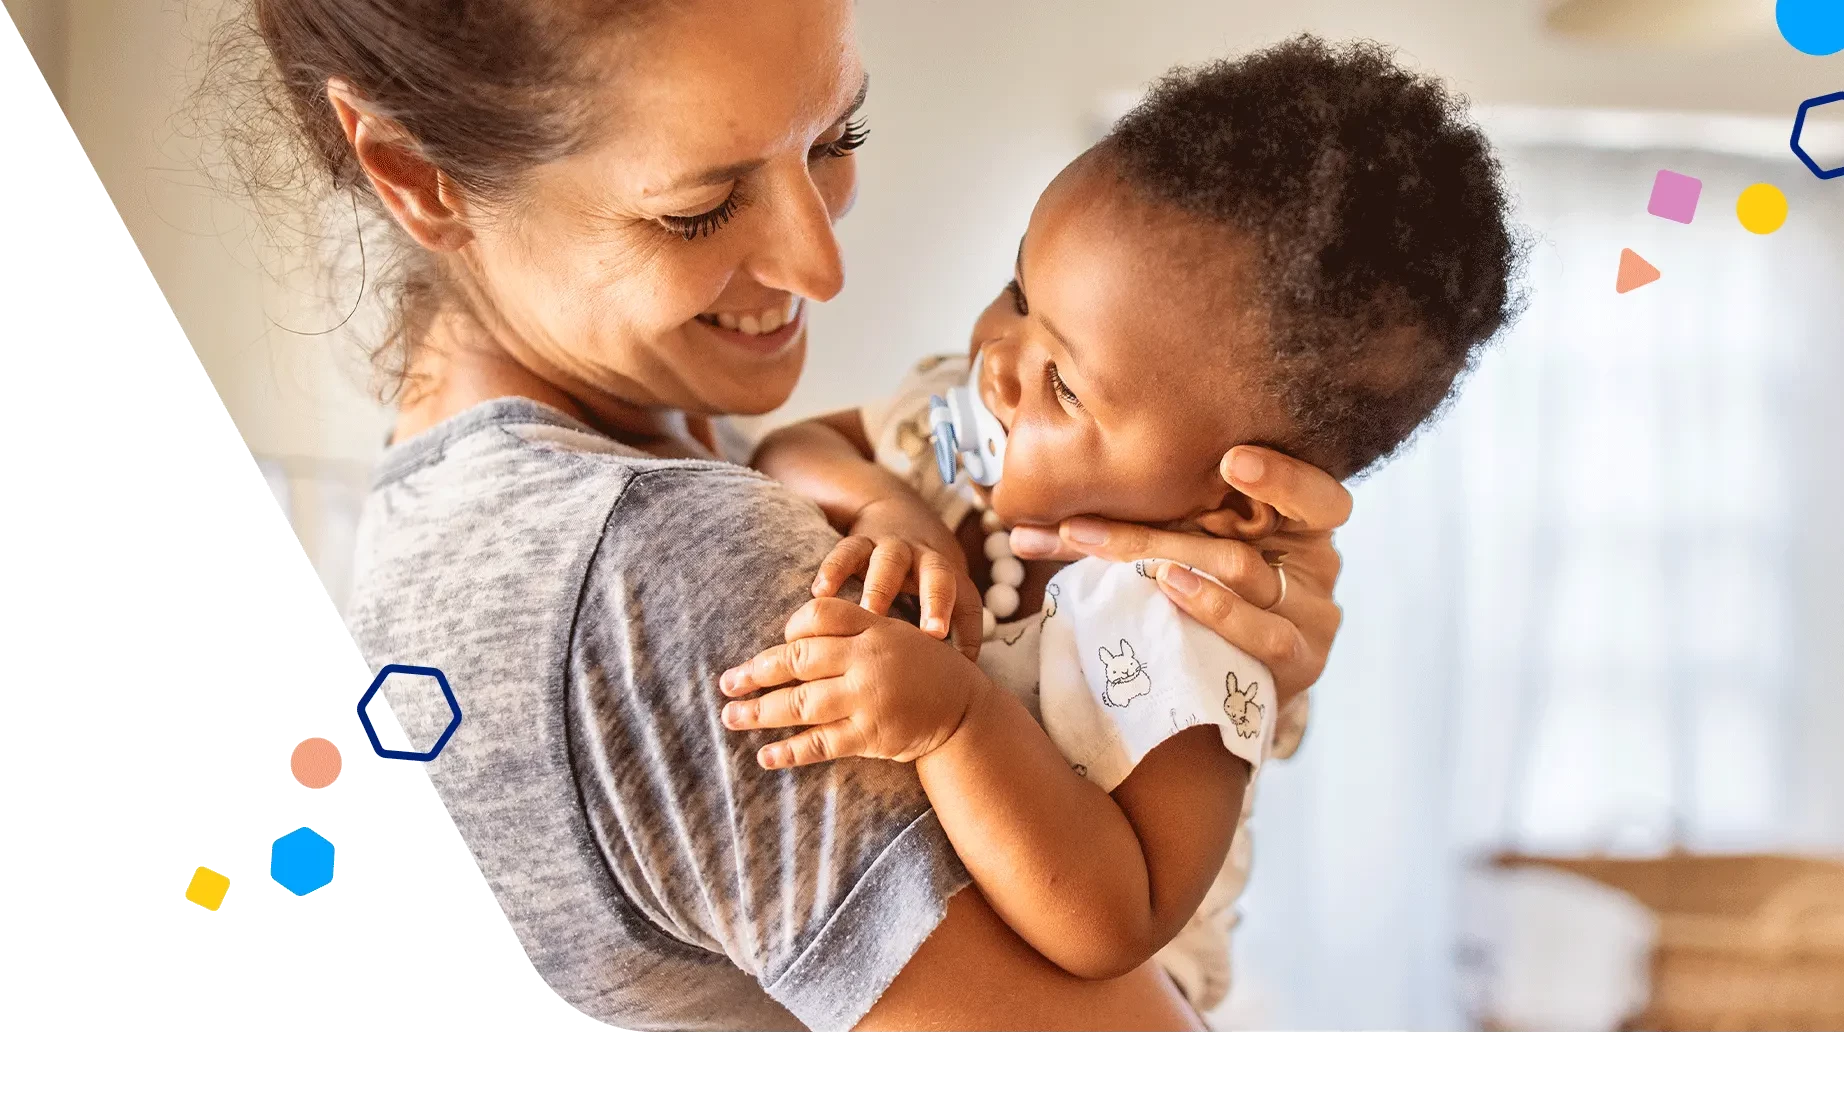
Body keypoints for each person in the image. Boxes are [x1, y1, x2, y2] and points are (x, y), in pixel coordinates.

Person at [243, 0, 1351, 1030]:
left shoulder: (616, 461)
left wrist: (1219, 665)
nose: (820, 265)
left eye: (834, 136)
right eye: (699, 207)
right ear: (412, 171)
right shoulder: (659, 561)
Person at [728, 37, 1520, 1015]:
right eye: (1018, 292)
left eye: (1063, 381)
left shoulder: (1184, 633)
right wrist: (884, 502)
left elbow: (1114, 916)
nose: (998, 360)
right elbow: (795, 447)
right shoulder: (967, 436)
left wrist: (955, 718)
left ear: (1233, 501)